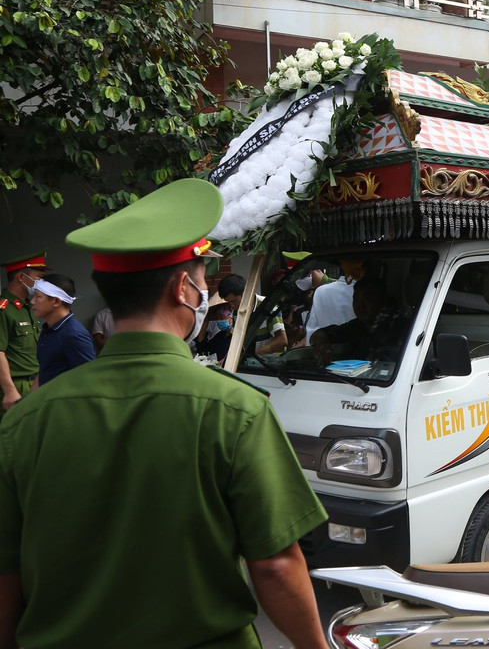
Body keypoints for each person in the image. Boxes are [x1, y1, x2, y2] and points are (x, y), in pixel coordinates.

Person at [0, 178, 328, 649]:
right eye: (201, 279)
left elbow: (6, 574)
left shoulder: (25, 421)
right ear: (182, 289)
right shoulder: (237, 410)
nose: (203, 291)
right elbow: (276, 566)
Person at [310, 277, 409, 363]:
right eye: (356, 299)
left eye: (366, 299)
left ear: (382, 300)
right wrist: (322, 340)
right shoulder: (358, 325)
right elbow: (324, 333)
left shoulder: (400, 328)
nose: (359, 305)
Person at [0, 251, 47, 412]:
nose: (41, 282)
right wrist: (9, 390)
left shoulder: (27, 307)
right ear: (21, 277)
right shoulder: (4, 309)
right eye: (39, 277)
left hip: (33, 384)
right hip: (15, 387)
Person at [30, 274, 96, 385]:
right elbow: (45, 371)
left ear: (56, 301)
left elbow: (90, 380)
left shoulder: (74, 335)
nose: (32, 301)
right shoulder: (48, 329)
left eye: (38, 296)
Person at [219, 274, 287, 356]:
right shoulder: (237, 312)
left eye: (233, 301)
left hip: (271, 362)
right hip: (251, 363)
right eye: (229, 302)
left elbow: (282, 340)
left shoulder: (268, 306)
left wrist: (254, 354)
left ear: (245, 293)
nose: (232, 305)